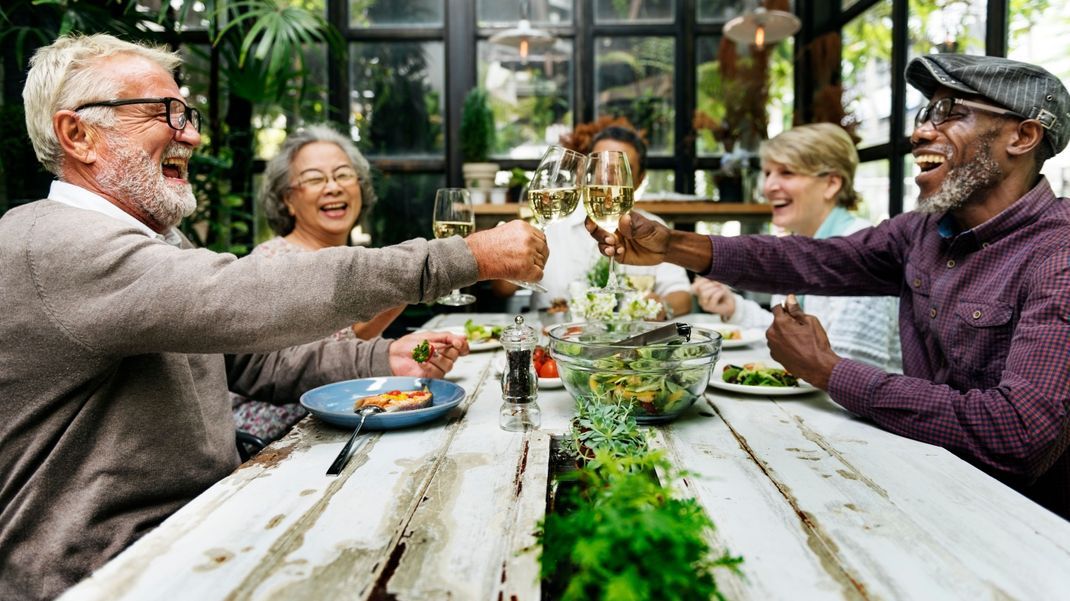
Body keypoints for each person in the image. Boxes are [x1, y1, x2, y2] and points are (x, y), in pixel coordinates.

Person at [0, 33, 547, 600]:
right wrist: (466, 257)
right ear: (78, 134)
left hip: (206, 524)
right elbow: (247, 295)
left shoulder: (158, 242)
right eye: (164, 112)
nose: (190, 132)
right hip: (99, 573)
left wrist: (383, 356)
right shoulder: (51, 243)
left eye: (187, 113)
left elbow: (255, 365)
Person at [588, 53, 1070, 519]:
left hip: (1013, 522)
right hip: (920, 478)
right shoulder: (921, 231)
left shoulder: (1058, 256)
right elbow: (812, 258)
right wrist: (672, 245)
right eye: (926, 112)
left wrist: (827, 370)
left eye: (950, 114)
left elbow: (1019, 432)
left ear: (1023, 136)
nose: (921, 131)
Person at [232, 124, 406, 441]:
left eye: (343, 175)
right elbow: (299, 366)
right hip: (277, 436)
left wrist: (409, 284)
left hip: (339, 420)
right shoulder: (273, 262)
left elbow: (350, 340)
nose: (333, 187)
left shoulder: (353, 257)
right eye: (315, 179)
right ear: (288, 200)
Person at [692, 123, 901, 372]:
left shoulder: (860, 251)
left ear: (832, 184)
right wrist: (733, 307)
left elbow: (848, 370)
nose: (768, 187)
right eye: (768, 173)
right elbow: (788, 338)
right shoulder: (801, 244)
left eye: (787, 173)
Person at [495, 118, 692, 317]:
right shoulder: (553, 221)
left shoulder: (652, 230)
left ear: (639, 179)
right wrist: (506, 260)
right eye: (600, 166)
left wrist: (661, 306)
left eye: (621, 170)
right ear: (583, 171)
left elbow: (683, 296)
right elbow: (502, 290)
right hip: (553, 338)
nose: (608, 179)